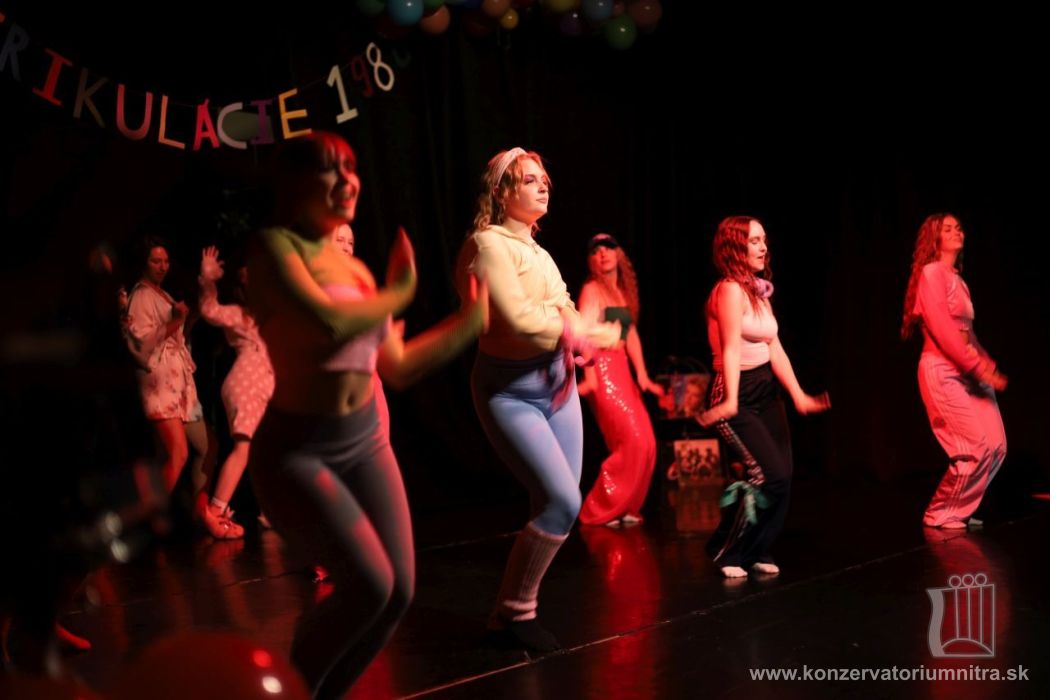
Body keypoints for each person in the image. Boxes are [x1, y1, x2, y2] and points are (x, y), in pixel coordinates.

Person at [246, 131, 486, 698]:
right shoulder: (275, 248)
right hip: (300, 451)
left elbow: (396, 367)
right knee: (370, 585)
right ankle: (298, 689)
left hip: (365, 442)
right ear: (296, 184)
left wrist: (469, 322)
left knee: (398, 592)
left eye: (352, 168)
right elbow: (328, 321)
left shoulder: (356, 273)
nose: (349, 181)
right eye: (332, 170)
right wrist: (401, 291)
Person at [457, 147, 620, 652]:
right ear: (502, 191)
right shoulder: (487, 245)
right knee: (562, 502)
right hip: (511, 393)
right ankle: (515, 614)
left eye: (544, 178)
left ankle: (508, 615)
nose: (542, 185)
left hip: (558, 387)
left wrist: (581, 329)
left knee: (557, 506)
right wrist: (580, 330)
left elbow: (563, 306)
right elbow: (519, 319)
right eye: (529, 179)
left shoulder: (540, 254)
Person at [697, 216, 830, 578]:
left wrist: (799, 396)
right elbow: (730, 349)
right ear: (735, 247)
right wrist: (729, 401)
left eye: (764, 240)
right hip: (735, 388)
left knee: (782, 477)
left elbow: (775, 347)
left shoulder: (757, 292)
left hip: (765, 389)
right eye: (754, 241)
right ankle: (727, 550)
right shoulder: (728, 290)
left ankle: (756, 549)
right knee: (766, 474)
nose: (763, 247)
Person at [901, 213, 1007, 529]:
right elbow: (943, 330)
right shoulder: (932, 273)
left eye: (958, 227)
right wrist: (977, 367)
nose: (955, 231)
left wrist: (986, 364)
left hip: (970, 371)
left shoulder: (958, 279)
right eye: (946, 229)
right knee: (973, 447)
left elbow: (967, 333)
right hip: (944, 371)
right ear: (934, 239)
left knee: (996, 446)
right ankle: (940, 512)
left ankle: (961, 508)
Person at [576, 233, 662, 527]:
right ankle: (600, 508)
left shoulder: (621, 292)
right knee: (631, 441)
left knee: (647, 443)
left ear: (619, 253)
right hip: (601, 368)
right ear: (591, 259)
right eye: (596, 250)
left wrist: (643, 376)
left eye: (609, 247)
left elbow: (631, 335)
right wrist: (590, 377)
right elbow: (583, 335)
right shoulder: (591, 290)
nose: (603, 253)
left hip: (621, 368)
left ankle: (626, 506)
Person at [125, 238, 213, 504]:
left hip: (179, 386)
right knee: (177, 454)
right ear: (144, 262)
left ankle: (201, 511)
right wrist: (176, 320)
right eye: (156, 261)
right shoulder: (141, 295)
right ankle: (151, 513)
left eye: (165, 261)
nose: (162, 267)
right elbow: (141, 343)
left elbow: (178, 336)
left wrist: (188, 318)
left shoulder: (162, 294)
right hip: (160, 384)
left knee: (207, 447)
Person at [197, 246, 275, 539]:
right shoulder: (239, 315)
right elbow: (209, 311)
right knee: (244, 450)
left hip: (263, 387)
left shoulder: (267, 314)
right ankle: (216, 512)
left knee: (265, 451)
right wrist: (208, 280)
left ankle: (269, 511)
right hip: (246, 386)